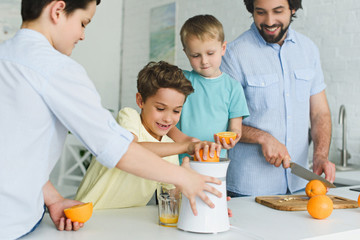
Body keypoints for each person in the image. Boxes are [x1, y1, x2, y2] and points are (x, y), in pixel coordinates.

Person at [0, 1, 221, 239]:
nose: (82, 35)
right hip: (12, 223)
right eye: (83, 23)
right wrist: (186, 178)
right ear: (57, 11)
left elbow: (12, 151)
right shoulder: (55, 68)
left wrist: (52, 198)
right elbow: (115, 148)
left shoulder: (6, 57)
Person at [221, 0, 336, 197]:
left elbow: (320, 113)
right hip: (250, 189)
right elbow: (222, 120)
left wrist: (320, 155)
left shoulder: (309, 50)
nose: (269, 21)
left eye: (278, 11)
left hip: (301, 185)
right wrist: (262, 137)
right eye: (261, 12)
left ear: (293, 8)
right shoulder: (233, 55)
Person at [75, 61, 220, 209]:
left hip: (126, 223)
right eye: (160, 108)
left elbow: (172, 202)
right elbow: (130, 150)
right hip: (90, 213)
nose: (168, 118)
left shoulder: (170, 149)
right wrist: (185, 146)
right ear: (140, 101)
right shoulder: (130, 117)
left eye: (176, 111)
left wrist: (210, 205)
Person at [168, 14, 249, 161]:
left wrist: (231, 139)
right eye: (195, 55)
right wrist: (186, 141)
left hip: (214, 163)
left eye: (210, 53)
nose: (204, 61)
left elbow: (236, 129)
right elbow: (165, 122)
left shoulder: (233, 88)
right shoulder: (179, 81)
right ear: (186, 53)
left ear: (223, 48)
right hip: (179, 162)